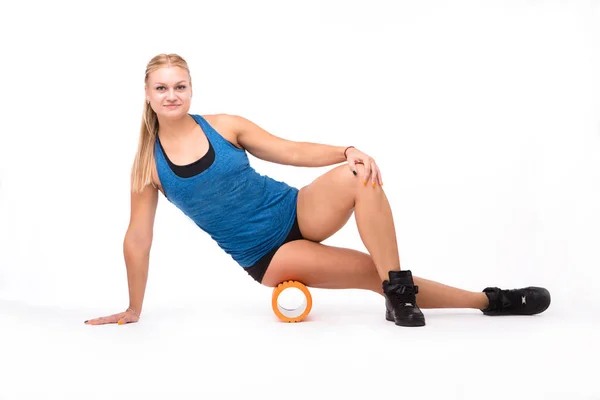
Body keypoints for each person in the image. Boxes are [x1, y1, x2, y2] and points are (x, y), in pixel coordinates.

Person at [84, 53, 551, 328]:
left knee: (360, 175)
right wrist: (132, 307)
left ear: (191, 90)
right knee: (375, 273)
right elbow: (138, 240)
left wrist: (347, 150)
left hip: (296, 209)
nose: (171, 95)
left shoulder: (224, 126)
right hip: (269, 256)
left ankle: (400, 295)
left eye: (179, 86)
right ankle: (491, 301)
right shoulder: (148, 167)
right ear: (147, 95)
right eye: (161, 88)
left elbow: (288, 150)